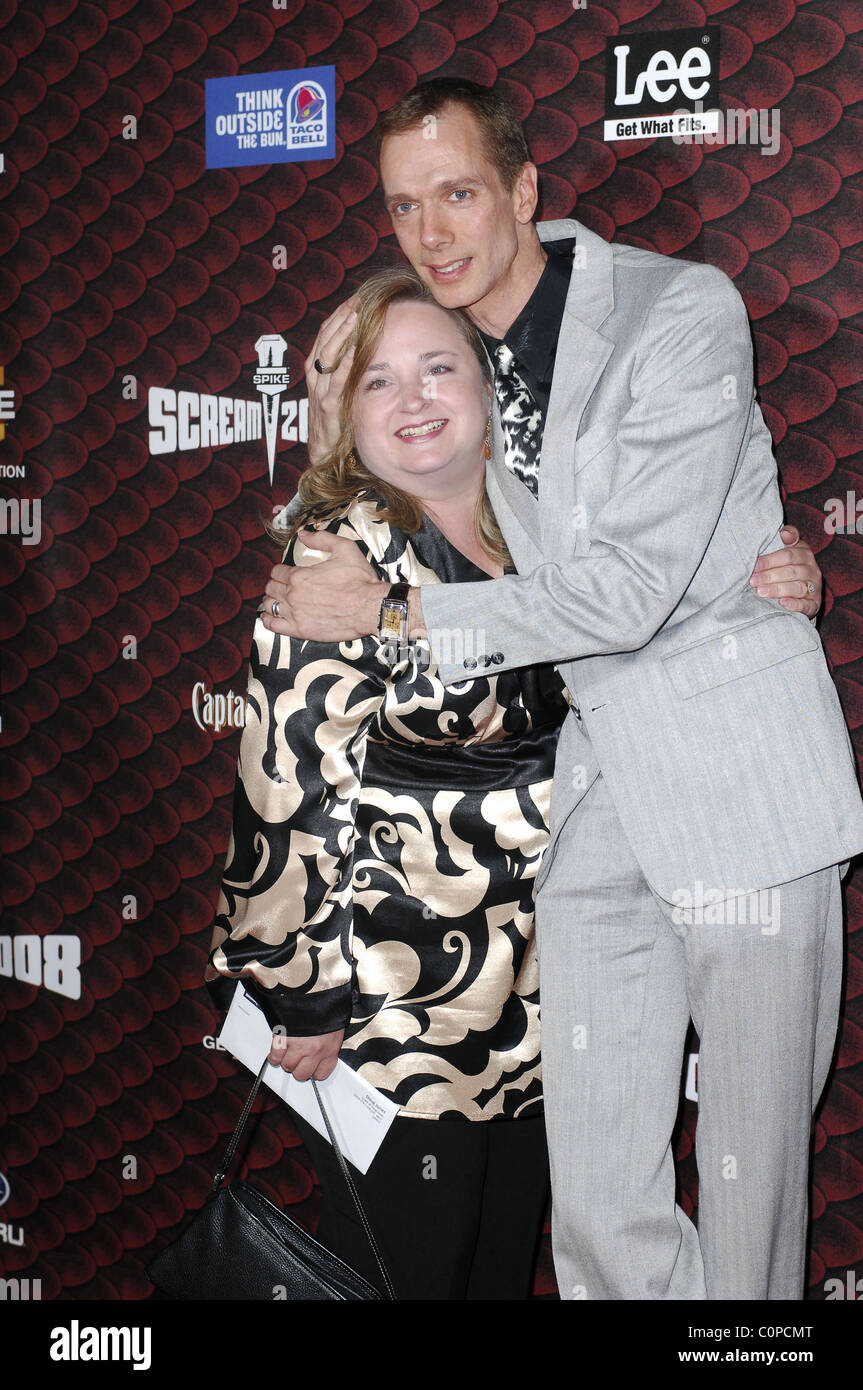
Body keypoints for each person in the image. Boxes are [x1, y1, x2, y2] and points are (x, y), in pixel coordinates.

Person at [261, 78, 863, 1301]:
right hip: (593, 815)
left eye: (460, 194)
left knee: (747, 1198)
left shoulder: (674, 309)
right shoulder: (448, 363)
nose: (432, 233)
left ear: (526, 192)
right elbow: (388, 455)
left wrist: (389, 615)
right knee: (592, 1204)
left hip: (738, 782)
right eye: (403, 208)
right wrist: (357, 329)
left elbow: (631, 584)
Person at [205, 266, 569, 1300]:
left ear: (489, 386)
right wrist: (301, 992)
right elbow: (283, 780)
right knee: (404, 1275)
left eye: (437, 366)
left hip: (542, 990)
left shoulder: (540, 531)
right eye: (377, 380)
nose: (412, 399)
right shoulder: (337, 547)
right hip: (393, 1002)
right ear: (344, 411)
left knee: (497, 1269)